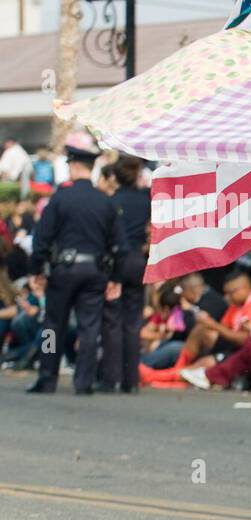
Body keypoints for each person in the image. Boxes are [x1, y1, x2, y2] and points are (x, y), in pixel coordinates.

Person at [26, 134, 125, 395]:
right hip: (95, 272)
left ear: (72, 166)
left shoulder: (60, 199)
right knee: (89, 327)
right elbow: (120, 245)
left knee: (52, 326)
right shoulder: (106, 202)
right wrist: (115, 277)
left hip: (64, 270)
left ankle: (47, 378)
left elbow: (42, 239)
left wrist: (36, 271)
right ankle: (84, 382)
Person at [97, 157, 150, 392]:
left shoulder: (110, 201)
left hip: (116, 261)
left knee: (112, 321)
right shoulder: (146, 199)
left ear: (115, 177)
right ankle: (131, 379)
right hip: (138, 260)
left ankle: (112, 378)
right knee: (133, 321)